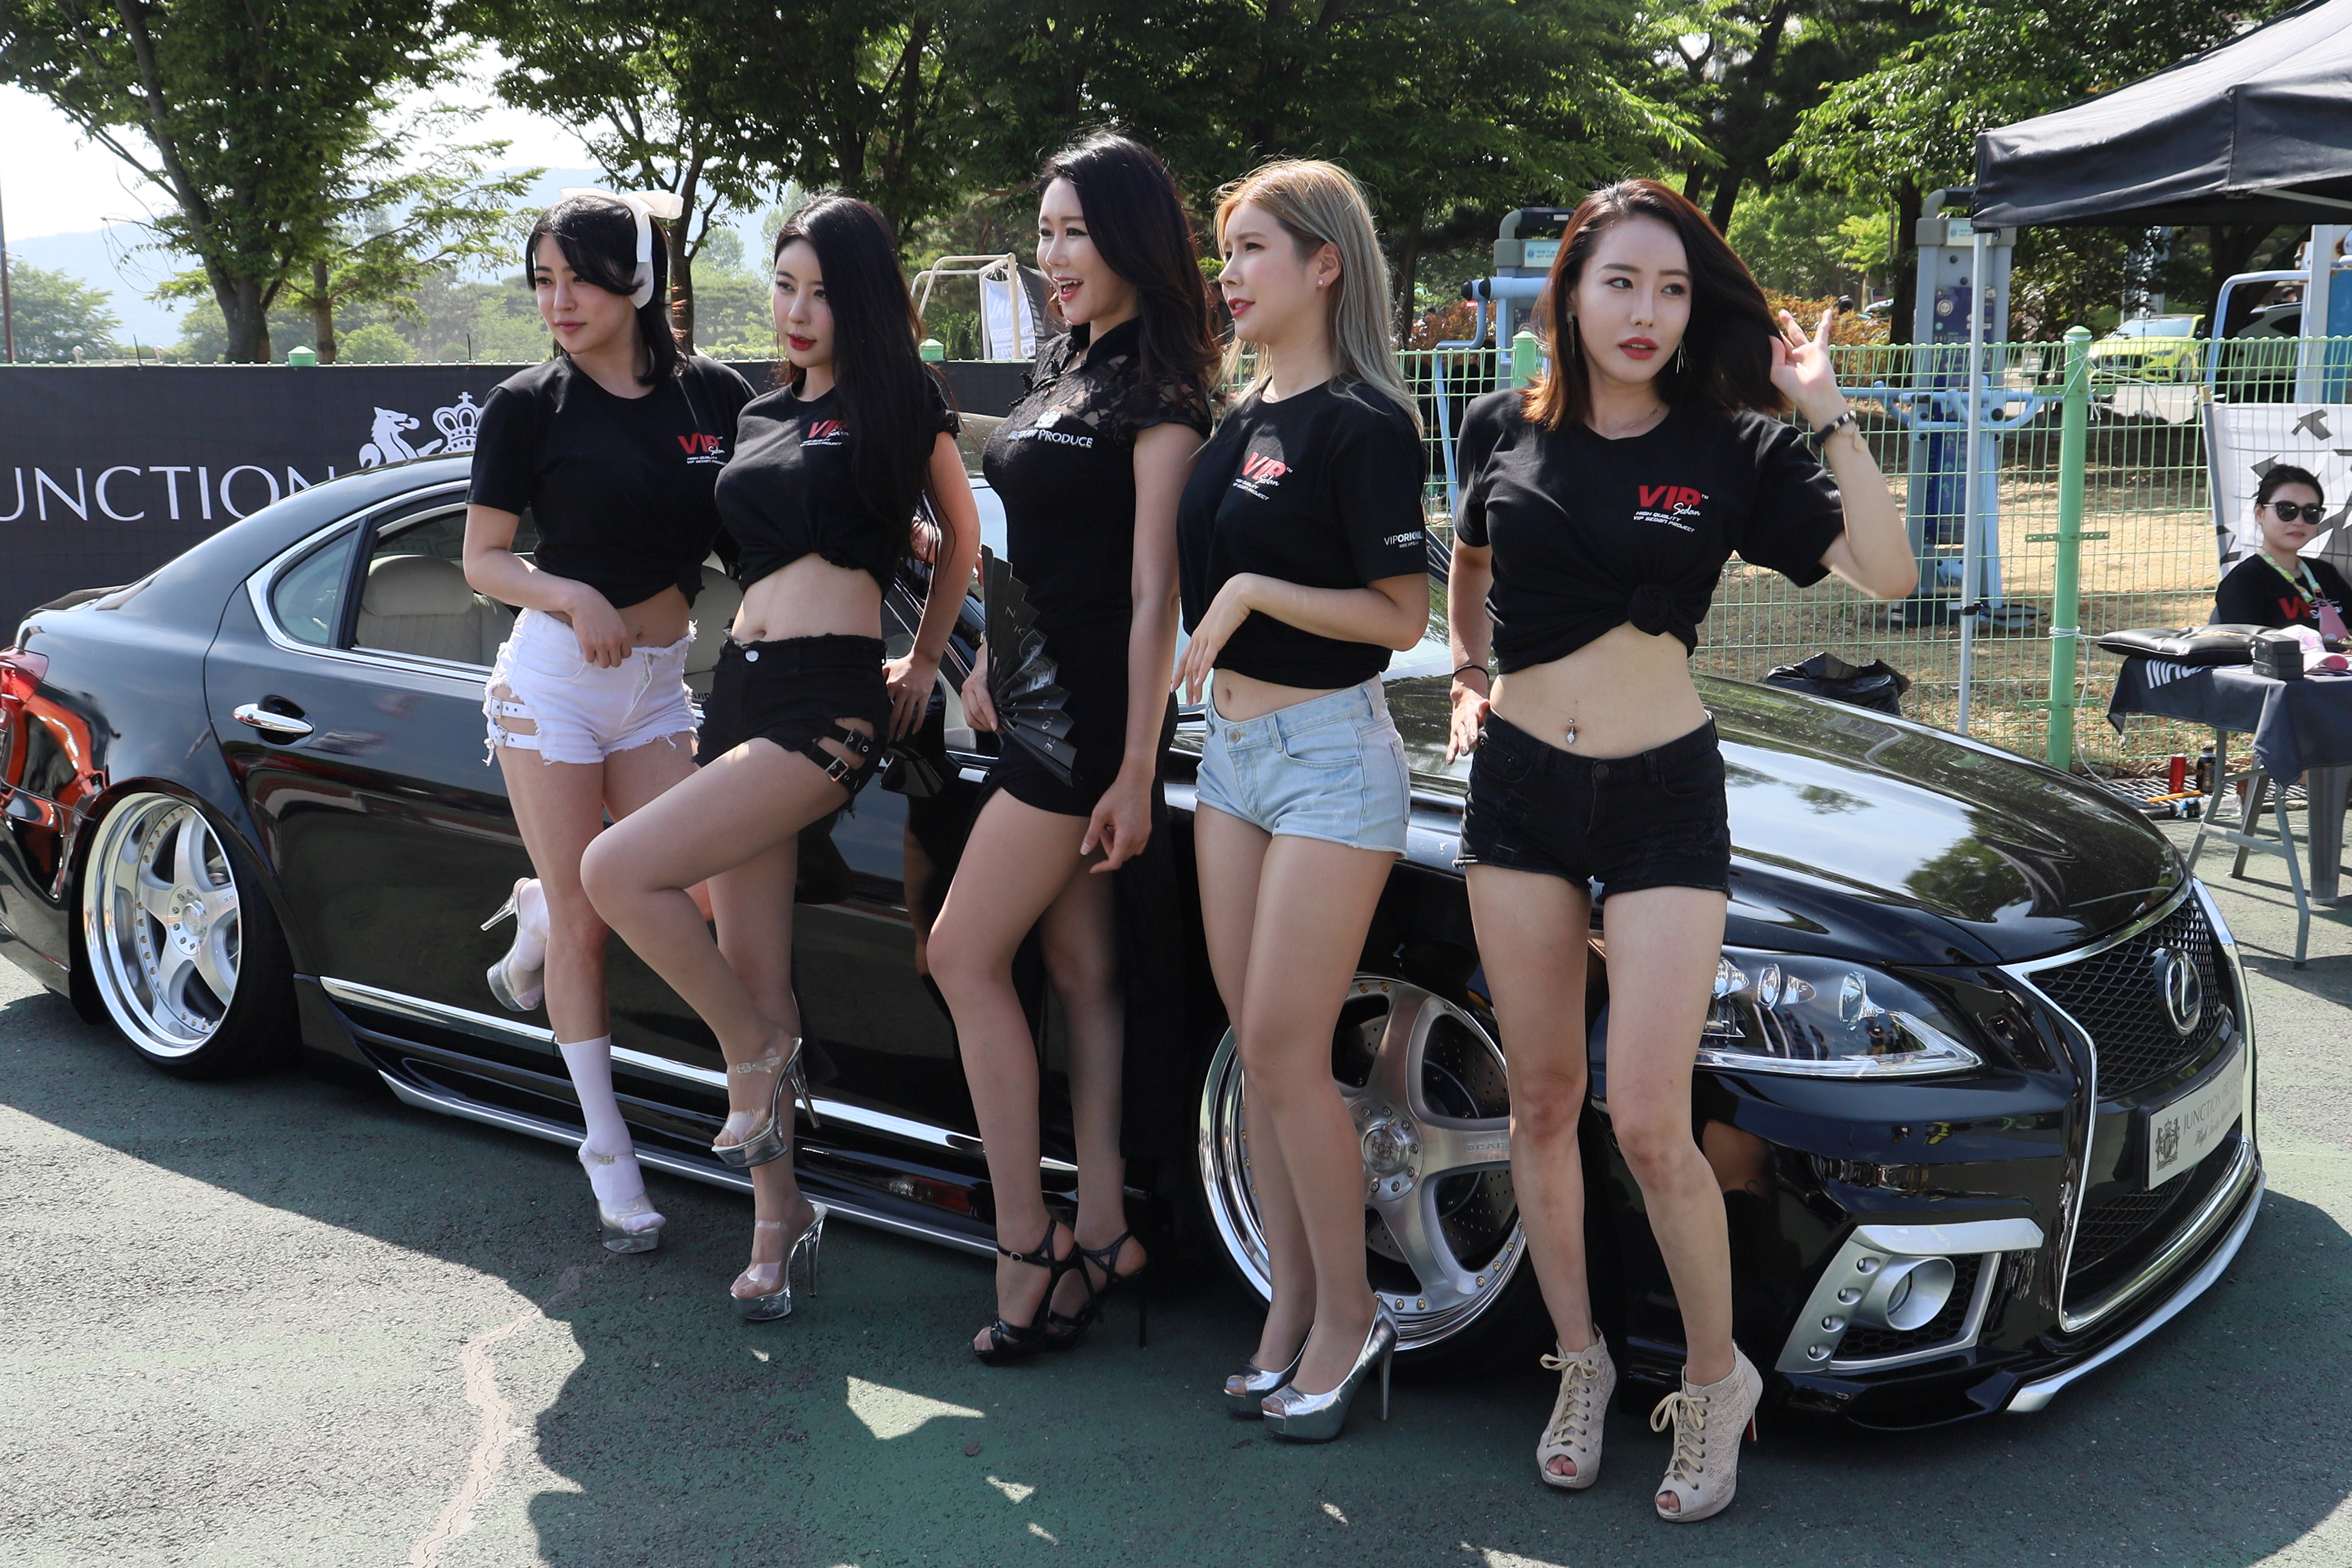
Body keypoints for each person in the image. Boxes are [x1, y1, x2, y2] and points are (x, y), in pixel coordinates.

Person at [1444, 178, 1914, 1521]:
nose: (1644, 311)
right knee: (1541, 1102)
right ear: (1571, 294)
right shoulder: (1498, 424)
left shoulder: (1732, 447)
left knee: (1650, 1118)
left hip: (1661, 797)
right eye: (1619, 283)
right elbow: (1468, 557)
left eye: (1669, 288)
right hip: (1519, 792)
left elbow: (1888, 573)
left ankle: (1716, 1381)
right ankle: (1579, 1361)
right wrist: (1469, 673)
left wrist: (1822, 407)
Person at [578, 194, 979, 1320]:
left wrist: (927, 658)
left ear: (862, 299)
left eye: (821, 292)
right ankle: (778, 1217)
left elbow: (960, 536)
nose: (797, 312)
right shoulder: (756, 412)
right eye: (784, 287)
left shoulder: (899, 398)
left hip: (828, 704)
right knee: (753, 968)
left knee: (615, 870)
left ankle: (755, 1054)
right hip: (741, 688)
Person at [929, 132, 1218, 1362]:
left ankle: (1024, 1243)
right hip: (1030, 691)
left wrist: (1136, 767)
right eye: (1044, 232)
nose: (1052, 256)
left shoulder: (1164, 397)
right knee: (1081, 971)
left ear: (1134, 241)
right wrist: (986, 657)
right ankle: (1104, 1228)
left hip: (1090, 716)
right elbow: (1028, 547)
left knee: (960, 954)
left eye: (1075, 233)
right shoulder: (1063, 362)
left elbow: (1157, 597)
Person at [1172, 159, 1429, 1442]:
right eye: (1226, 250)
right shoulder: (1238, 421)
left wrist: (1251, 596)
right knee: (1259, 1052)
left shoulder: (1365, 425)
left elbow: (1401, 616)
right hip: (1229, 760)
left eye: (1253, 248)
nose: (1229, 273)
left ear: (1324, 264)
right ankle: (1290, 1304)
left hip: (1331, 758)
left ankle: (1352, 1313)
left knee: (1284, 1047)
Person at [463, 189, 754, 1256]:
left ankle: (543, 900)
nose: (558, 300)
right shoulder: (526, 406)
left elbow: (754, 534)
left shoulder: (715, 394)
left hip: (657, 686)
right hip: (554, 686)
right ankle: (607, 1150)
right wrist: (569, 594)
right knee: (592, 920)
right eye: (543, 281)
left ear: (635, 278)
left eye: (578, 278)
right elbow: (483, 559)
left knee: (712, 889)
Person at [2214, 466, 2345, 633]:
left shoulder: (2326, 573)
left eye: (2311, 512)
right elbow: (2243, 644)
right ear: (2260, 514)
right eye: (2286, 510)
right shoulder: (2244, 581)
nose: (2299, 521)